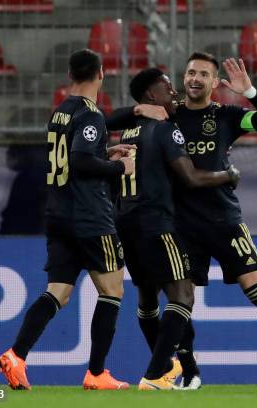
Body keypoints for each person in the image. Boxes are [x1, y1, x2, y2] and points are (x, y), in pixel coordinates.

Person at [0, 49, 135, 391]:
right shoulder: (92, 114)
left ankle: (16, 355)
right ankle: (97, 373)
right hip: (89, 216)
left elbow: (74, 159)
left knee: (58, 292)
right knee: (113, 290)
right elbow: (82, 162)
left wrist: (105, 154)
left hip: (58, 214)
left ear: (71, 75)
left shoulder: (59, 113)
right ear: (101, 73)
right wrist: (120, 166)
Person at [106, 68, 241, 390]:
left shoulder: (127, 133)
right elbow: (191, 178)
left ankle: (166, 367)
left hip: (127, 222)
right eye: (167, 88)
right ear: (152, 96)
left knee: (147, 299)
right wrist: (228, 175)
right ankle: (155, 376)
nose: (174, 93)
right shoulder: (165, 131)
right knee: (182, 295)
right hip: (156, 222)